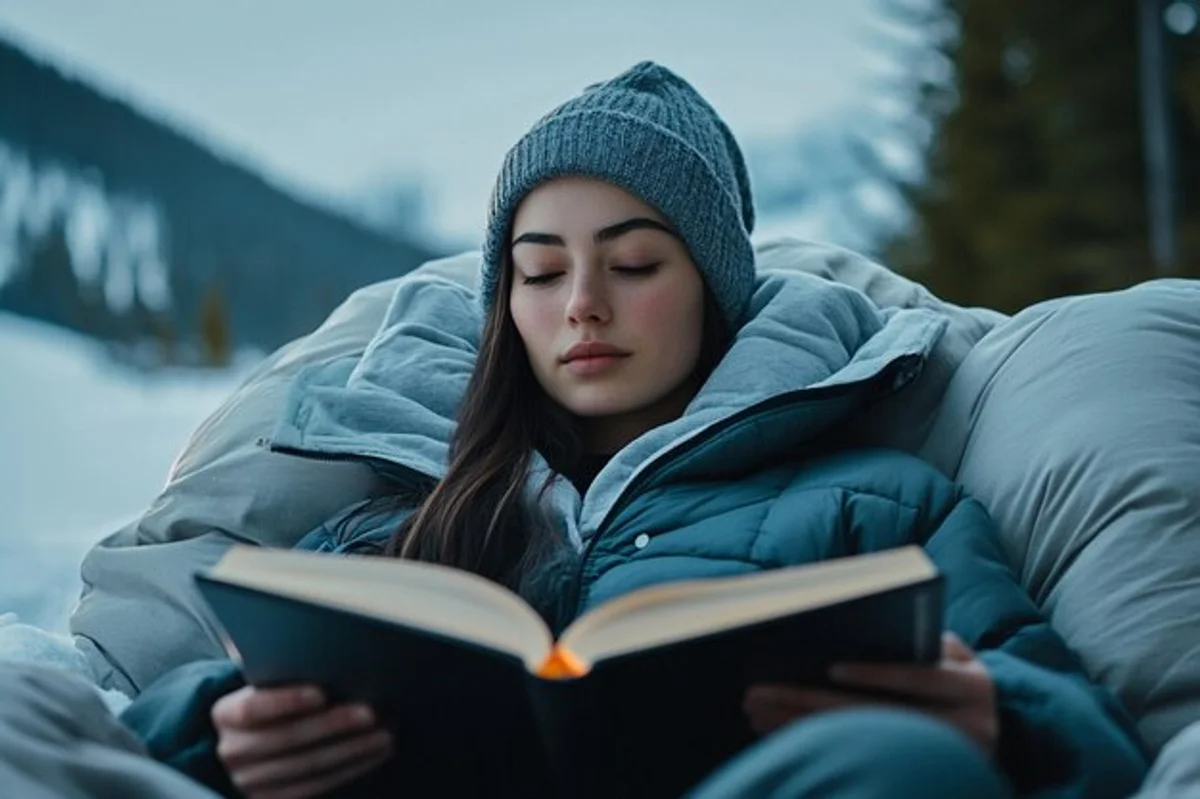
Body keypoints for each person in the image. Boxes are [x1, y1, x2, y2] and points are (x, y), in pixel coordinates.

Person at [22, 61, 1147, 798]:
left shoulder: (880, 502)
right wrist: (223, 725)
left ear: (713, 285)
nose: (582, 307)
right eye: (541, 270)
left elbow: (1102, 745)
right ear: (502, 308)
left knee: (900, 760)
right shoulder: (386, 538)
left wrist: (997, 719)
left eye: (635, 263)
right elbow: (141, 733)